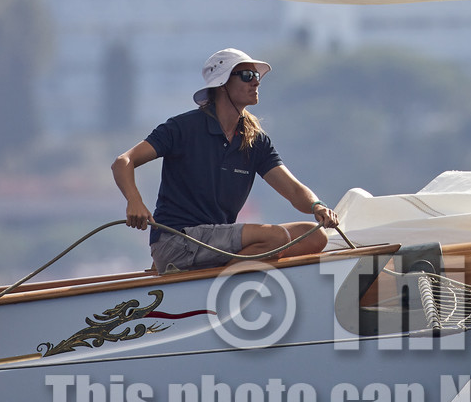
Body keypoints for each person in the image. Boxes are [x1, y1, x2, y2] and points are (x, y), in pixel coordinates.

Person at [112, 48, 340, 272]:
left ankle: (223, 278)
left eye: (257, 76)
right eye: (247, 76)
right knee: (277, 237)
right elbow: (123, 162)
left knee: (315, 236)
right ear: (222, 84)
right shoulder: (182, 128)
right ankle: (222, 290)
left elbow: (293, 190)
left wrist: (316, 206)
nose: (256, 82)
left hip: (217, 242)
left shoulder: (255, 141)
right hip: (176, 241)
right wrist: (134, 201)